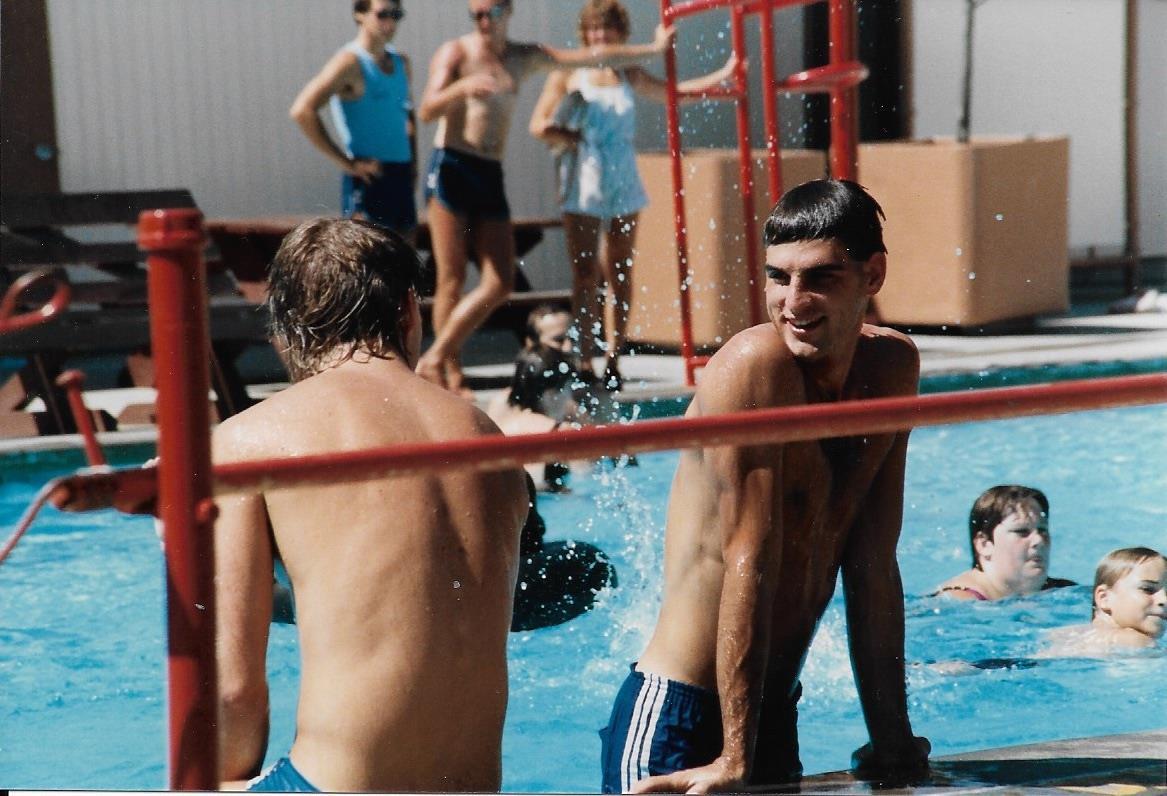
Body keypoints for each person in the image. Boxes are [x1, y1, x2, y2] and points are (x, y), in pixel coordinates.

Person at [599, 179, 930, 793]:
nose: (793, 302)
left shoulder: (891, 369)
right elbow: (748, 559)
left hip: (767, 711)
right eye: (778, 278)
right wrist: (732, 756)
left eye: (821, 279)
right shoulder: (756, 365)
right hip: (681, 711)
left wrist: (892, 740)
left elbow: (873, 566)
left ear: (873, 275)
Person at [212, 218, 528, 791]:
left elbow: (232, 693)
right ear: (410, 309)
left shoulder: (247, 440)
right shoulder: (486, 436)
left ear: (284, 330)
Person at [413, 0, 674, 393]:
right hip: (451, 166)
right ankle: (449, 372)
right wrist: (462, 87)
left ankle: (437, 356)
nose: (484, 22)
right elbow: (428, 110)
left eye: (492, 13)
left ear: (508, 12)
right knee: (450, 280)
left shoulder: (523, 57)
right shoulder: (457, 52)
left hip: (489, 171)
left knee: (500, 282)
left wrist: (653, 50)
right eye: (477, 15)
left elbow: (589, 57)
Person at [529, 0, 737, 390]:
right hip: (584, 182)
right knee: (586, 275)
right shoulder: (568, 75)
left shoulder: (626, 72)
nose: (599, 37)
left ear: (619, 34)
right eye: (592, 30)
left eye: (605, 30)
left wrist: (719, 77)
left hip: (622, 176)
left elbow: (672, 94)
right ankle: (585, 356)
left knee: (621, 273)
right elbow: (539, 125)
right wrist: (572, 135)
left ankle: (615, 356)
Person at [290, 0, 418, 234]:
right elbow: (302, 110)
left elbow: (407, 116)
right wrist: (346, 163)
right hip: (370, 177)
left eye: (396, 14)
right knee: (370, 264)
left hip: (400, 174)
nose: (390, 22)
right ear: (360, 14)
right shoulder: (350, 63)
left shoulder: (401, 63)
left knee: (405, 264)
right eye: (382, 14)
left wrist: (414, 164)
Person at [934, 485, 1076, 602]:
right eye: (1021, 531)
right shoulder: (956, 601)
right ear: (984, 544)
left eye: (1042, 530)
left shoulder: (1063, 591)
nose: (1038, 540)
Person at [1043, 547, 1167, 656]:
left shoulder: (1065, 634)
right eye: (1148, 589)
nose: (1164, 600)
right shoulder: (1137, 641)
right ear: (1104, 598)